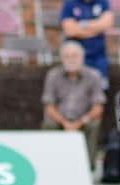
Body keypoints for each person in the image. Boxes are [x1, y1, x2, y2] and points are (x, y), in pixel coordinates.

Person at [41, 41, 106, 169]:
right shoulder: (53, 75)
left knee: (94, 124)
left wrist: (79, 122)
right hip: (60, 120)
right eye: (67, 56)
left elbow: (98, 107)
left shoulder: (94, 75)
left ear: (82, 57)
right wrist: (65, 123)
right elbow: (49, 106)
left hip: (84, 119)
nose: (71, 59)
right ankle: (50, 165)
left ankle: (88, 167)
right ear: (62, 58)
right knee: (49, 124)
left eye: (74, 55)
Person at [60, 0, 114, 90]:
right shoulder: (70, 3)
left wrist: (81, 24)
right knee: (78, 90)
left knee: (101, 88)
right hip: (76, 56)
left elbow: (107, 23)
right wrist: (96, 28)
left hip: (99, 55)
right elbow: (69, 30)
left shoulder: (103, 2)